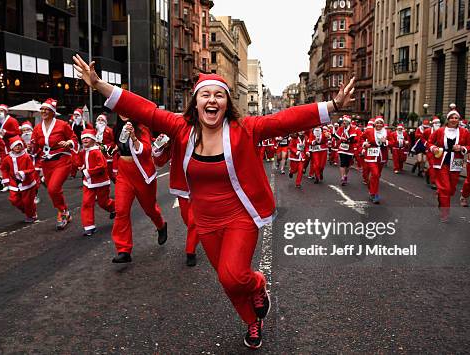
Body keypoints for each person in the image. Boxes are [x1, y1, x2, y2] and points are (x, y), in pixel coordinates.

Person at [73, 53, 355, 349]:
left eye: (218, 95)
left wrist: (332, 106)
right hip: (205, 219)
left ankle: (258, 282)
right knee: (226, 279)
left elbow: (284, 120)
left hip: (240, 216)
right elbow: (143, 109)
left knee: (235, 275)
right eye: (205, 94)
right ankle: (251, 321)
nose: (212, 100)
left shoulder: (244, 129)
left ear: (226, 103)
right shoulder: (181, 128)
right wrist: (99, 85)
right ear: (195, 103)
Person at [109, 116, 168, 263]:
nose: (123, 112)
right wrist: (113, 149)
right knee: (121, 211)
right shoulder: (116, 128)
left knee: (150, 209)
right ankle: (123, 250)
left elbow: (147, 150)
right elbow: (114, 144)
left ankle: (161, 225)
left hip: (142, 175)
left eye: (126, 108)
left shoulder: (142, 128)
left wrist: (134, 138)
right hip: (124, 174)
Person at [153, 133, 200, 267]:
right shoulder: (175, 136)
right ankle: (200, 234)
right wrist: (161, 146)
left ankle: (190, 252)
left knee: (193, 221)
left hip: (201, 182)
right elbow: (159, 161)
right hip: (182, 184)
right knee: (187, 219)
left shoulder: (206, 131)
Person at [30, 98, 77, 230]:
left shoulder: (62, 125)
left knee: (53, 188)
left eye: (47, 109)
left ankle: (62, 212)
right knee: (53, 190)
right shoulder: (38, 128)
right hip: (46, 162)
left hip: (62, 159)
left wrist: (69, 143)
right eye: (42, 109)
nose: (44, 111)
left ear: (52, 112)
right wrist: (31, 147)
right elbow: (35, 147)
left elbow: (73, 138)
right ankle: (65, 212)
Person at [428, 110, 470, 222]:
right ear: (448, 119)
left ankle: (441, 198)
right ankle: (444, 213)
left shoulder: (464, 132)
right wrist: (434, 148)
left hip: (456, 161)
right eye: (452, 117)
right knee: (445, 188)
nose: (454, 120)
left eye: (456, 118)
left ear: (459, 120)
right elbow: (430, 142)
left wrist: (462, 148)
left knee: (451, 189)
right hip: (442, 161)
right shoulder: (440, 131)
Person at [79, 128, 116, 236]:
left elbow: (102, 166)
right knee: (86, 203)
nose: (85, 140)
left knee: (103, 202)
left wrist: (88, 171)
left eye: (88, 138)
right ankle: (89, 226)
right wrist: (83, 166)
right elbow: (84, 162)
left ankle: (115, 208)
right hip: (88, 182)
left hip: (101, 182)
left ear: (93, 140)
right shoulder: (85, 151)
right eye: (83, 138)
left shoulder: (96, 152)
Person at [1, 136, 38, 223]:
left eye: (19, 145)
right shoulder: (7, 158)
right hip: (13, 182)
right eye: (15, 145)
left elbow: (31, 169)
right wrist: (5, 179)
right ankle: (29, 211)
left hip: (27, 182)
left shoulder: (26, 157)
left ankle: (31, 214)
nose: (17, 147)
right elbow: (4, 169)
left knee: (27, 201)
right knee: (14, 200)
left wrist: (23, 172)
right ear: (11, 147)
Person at [362, 116, 390, 204]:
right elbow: (361, 138)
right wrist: (364, 144)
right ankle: (375, 194)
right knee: (375, 173)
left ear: (383, 124)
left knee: (377, 175)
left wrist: (386, 141)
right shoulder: (369, 131)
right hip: (371, 155)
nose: (378, 124)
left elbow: (394, 142)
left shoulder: (387, 133)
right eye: (377, 123)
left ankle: (371, 191)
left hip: (381, 156)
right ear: (374, 124)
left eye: (380, 123)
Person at [20, 120, 42, 204]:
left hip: (35, 162)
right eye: (24, 130)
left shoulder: (36, 139)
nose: (26, 132)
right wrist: (26, 150)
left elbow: (39, 149)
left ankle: (35, 195)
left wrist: (32, 150)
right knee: (26, 180)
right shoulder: (21, 140)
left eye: (28, 130)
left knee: (35, 179)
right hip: (25, 163)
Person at [70, 108, 93, 178]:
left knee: (84, 159)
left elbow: (92, 132)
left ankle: (84, 173)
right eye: (75, 115)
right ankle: (73, 174)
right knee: (73, 160)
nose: (76, 116)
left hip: (84, 144)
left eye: (78, 115)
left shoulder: (86, 124)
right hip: (75, 144)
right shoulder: (71, 124)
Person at [335, 115, 358, 186]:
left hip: (349, 148)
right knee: (342, 162)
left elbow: (352, 138)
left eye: (345, 121)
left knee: (348, 164)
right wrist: (341, 139)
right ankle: (342, 177)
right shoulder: (341, 128)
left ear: (348, 122)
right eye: (343, 121)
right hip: (342, 148)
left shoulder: (352, 128)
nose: (344, 122)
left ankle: (345, 175)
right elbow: (337, 136)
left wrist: (347, 139)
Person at [94, 113, 117, 182]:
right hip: (97, 154)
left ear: (105, 122)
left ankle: (117, 183)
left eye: (102, 120)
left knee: (110, 173)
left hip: (107, 154)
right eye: (99, 120)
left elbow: (114, 141)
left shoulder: (109, 130)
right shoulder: (95, 130)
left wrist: (106, 146)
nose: (100, 121)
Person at [424, 117, 442, 189]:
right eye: (436, 123)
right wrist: (426, 143)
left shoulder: (442, 130)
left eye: (438, 123)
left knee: (438, 167)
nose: (437, 124)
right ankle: (434, 182)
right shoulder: (427, 131)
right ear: (433, 124)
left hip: (440, 151)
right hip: (430, 151)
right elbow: (422, 138)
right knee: (433, 165)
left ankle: (427, 173)